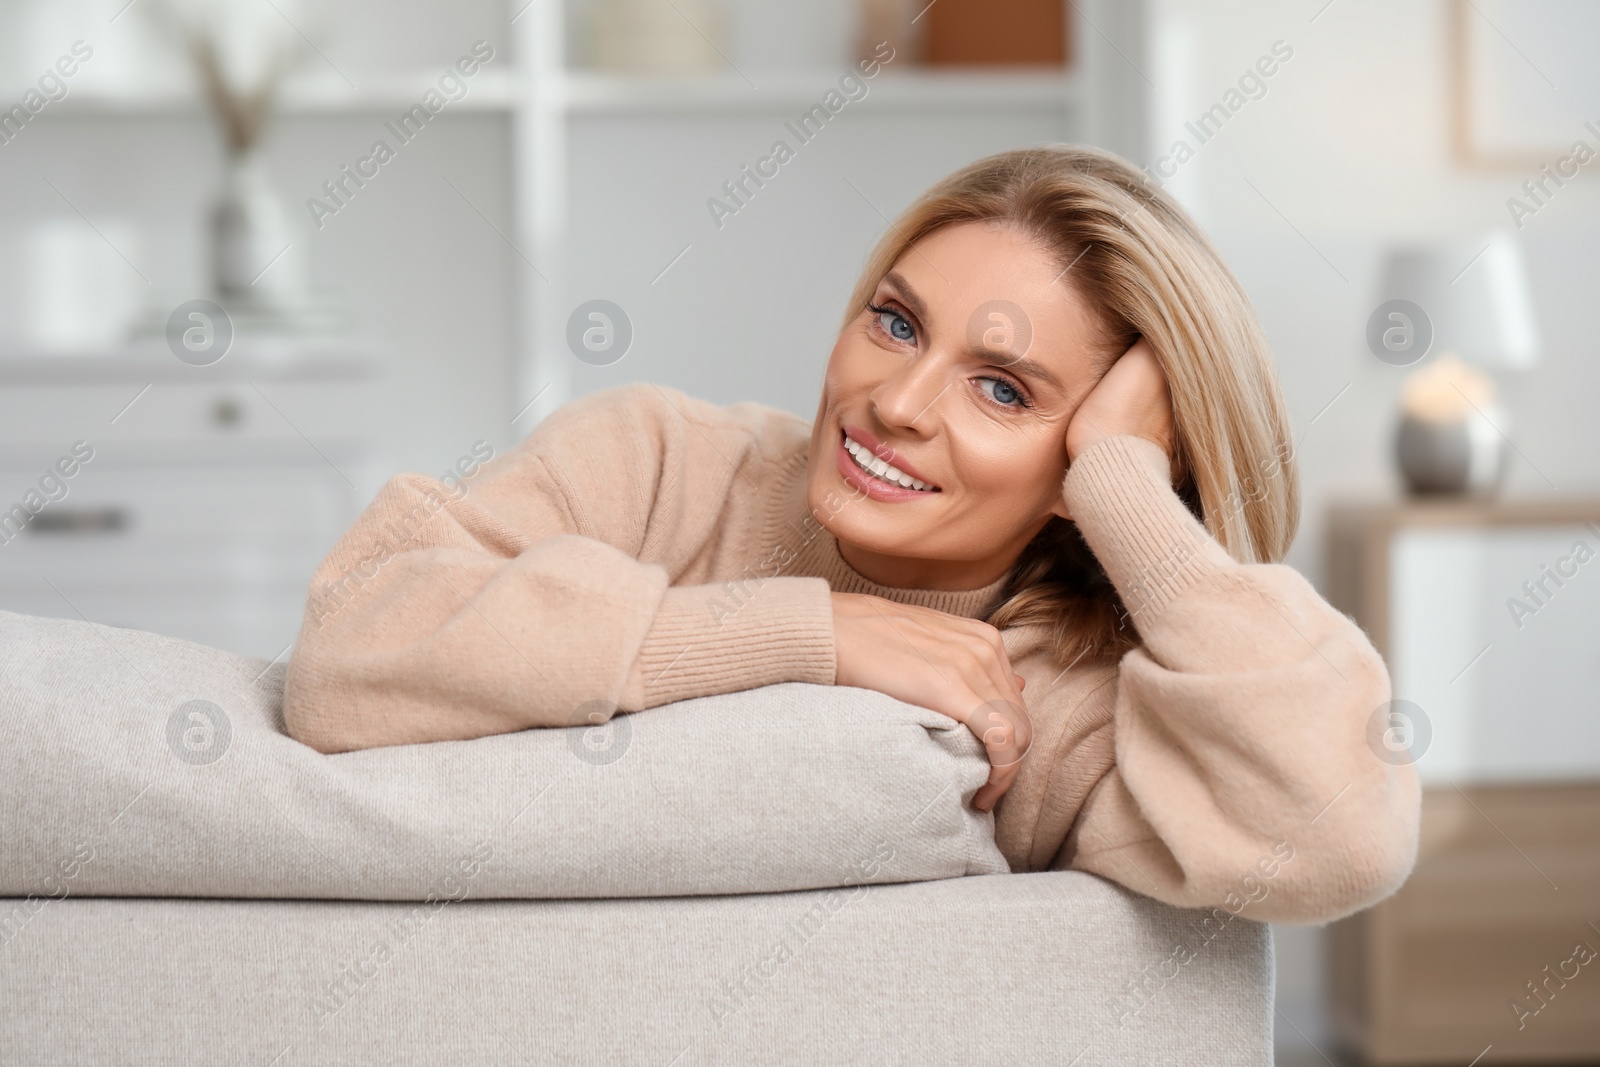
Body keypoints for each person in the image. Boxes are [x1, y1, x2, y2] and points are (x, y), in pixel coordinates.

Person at [283, 145, 1420, 925]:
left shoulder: (1065, 704)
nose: (897, 400)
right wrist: (804, 634)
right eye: (894, 320)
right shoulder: (658, 455)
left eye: (1003, 390)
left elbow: (1341, 836)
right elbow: (346, 651)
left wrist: (1126, 488)